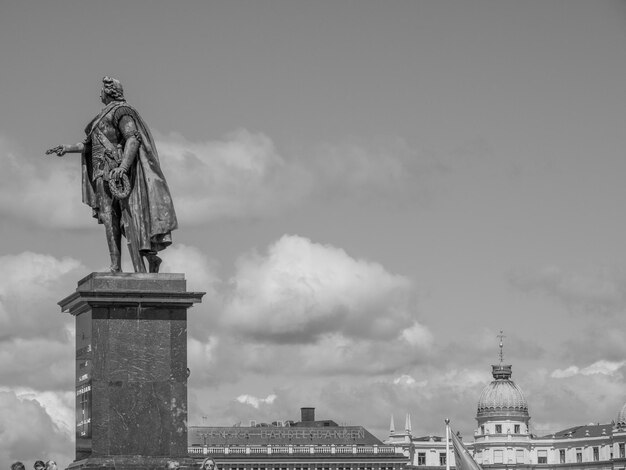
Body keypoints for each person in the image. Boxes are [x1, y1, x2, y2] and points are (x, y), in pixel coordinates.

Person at [46, 76, 177, 273]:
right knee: (109, 217)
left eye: (101, 90)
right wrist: (66, 148)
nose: (99, 93)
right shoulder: (101, 118)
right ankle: (116, 265)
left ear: (109, 92)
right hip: (101, 171)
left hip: (117, 171)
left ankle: (147, 259)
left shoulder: (121, 112)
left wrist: (123, 166)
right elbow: (88, 146)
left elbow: (132, 139)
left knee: (128, 219)